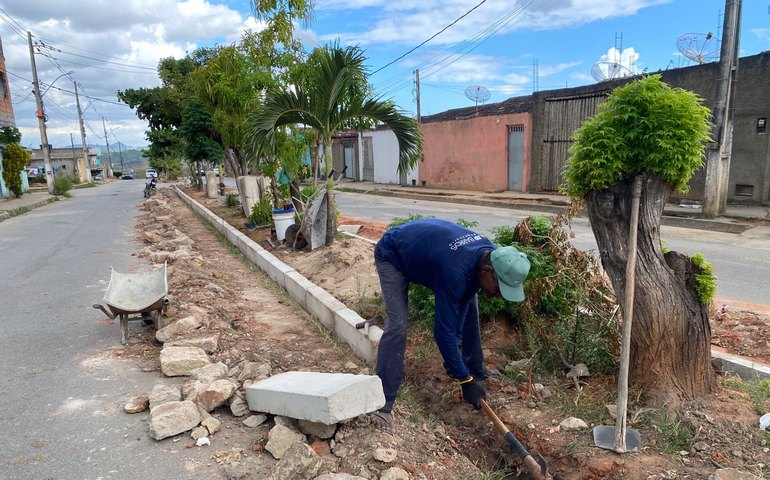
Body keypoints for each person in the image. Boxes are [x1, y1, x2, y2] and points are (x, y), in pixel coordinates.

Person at [369, 218, 531, 432]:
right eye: (500, 288)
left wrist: (460, 363)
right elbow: (442, 332)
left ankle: (475, 367)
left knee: (471, 303)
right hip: (394, 254)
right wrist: (464, 380)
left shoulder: (490, 256)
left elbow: (464, 302)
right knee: (397, 324)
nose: (499, 295)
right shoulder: (456, 271)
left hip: (429, 253)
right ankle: (382, 404)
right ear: (485, 271)